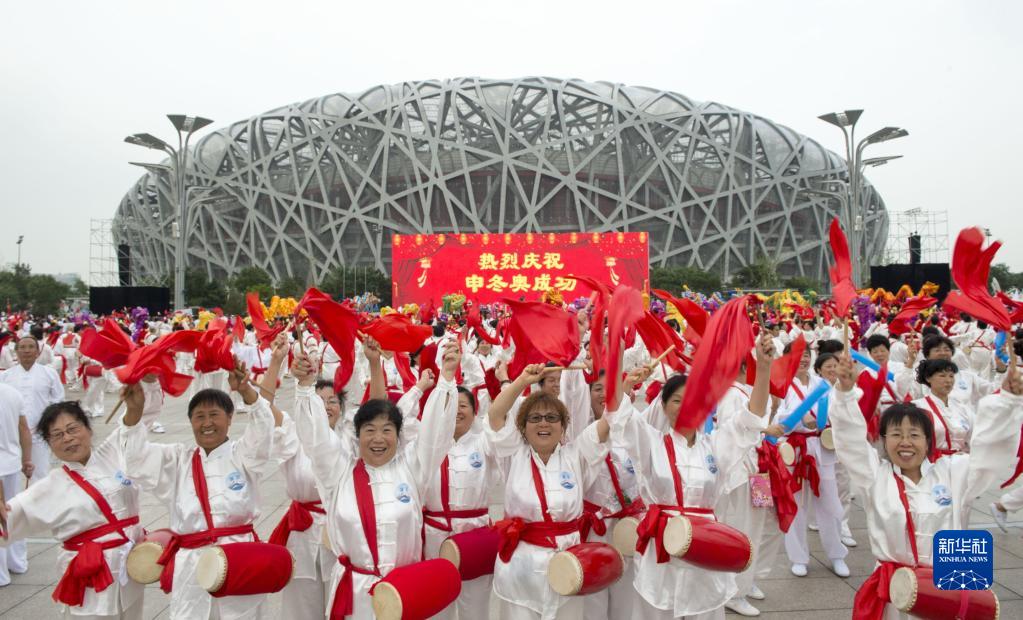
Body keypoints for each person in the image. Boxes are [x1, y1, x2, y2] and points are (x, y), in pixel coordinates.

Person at [829, 352, 1023, 618]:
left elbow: (989, 453)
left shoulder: (954, 471)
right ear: (884, 441)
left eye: (914, 435)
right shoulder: (875, 475)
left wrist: (1009, 402)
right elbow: (849, 439)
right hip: (895, 589)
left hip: (948, 583)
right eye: (896, 434)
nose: (905, 442)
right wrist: (844, 393)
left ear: (929, 441)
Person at [609, 332, 780, 620]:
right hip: (661, 549)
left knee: (704, 610)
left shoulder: (715, 446)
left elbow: (752, 417)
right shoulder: (651, 442)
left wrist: (763, 369)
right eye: (677, 400)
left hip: (706, 547)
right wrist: (617, 357)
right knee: (657, 610)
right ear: (663, 407)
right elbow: (618, 412)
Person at [288, 342, 458, 619]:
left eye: (387, 430)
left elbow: (435, 434)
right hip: (356, 599)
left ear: (398, 435)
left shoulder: (413, 469)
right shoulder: (338, 472)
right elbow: (316, 439)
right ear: (357, 435)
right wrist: (306, 387)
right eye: (370, 430)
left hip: (405, 593)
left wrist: (447, 380)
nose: (378, 439)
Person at [121, 359, 282, 620]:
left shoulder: (244, 454)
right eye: (199, 417)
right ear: (191, 422)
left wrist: (246, 392)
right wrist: (134, 415)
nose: (207, 423)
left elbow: (263, 427)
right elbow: (135, 460)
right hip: (192, 564)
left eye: (214, 415)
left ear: (230, 419)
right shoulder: (177, 459)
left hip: (239, 557)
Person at [485, 359, 612, 620]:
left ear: (563, 426)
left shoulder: (575, 455)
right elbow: (495, 416)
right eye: (535, 418)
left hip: (568, 568)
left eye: (552, 418)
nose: (544, 423)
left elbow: (609, 420)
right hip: (521, 570)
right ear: (523, 426)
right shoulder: (512, 455)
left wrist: (623, 384)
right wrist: (520, 381)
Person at [0, 400, 144, 618]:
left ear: (88, 429)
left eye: (72, 429)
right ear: (49, 444)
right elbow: (8, 519)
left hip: (131, 572)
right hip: (90, 578)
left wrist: (141, 395)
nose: (67, 438)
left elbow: (131, 423)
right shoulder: (49, 486)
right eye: (56, 435)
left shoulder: (112, 454)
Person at [781, 352, 851, 579]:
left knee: (829, 501)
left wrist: (828, 420)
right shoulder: (781, 384)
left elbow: (838, 410)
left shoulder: (822, 384)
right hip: (795, 448)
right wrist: (799, 419)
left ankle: (837, 554)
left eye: (806, 355)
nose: (802, 359)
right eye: (797, 355)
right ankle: (798, 558)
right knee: (796, 504)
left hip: (821, 446)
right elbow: (775, 418)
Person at [0, 335, 64, 483]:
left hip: (39, 432)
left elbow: (58, 401)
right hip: (10, 434)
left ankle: (37, 505)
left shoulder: (49, 374)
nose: (26, 351)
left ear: (37, 351)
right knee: (8, 475)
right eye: (22, 347)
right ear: (16, 351)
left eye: (31, 347)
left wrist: (48, 424)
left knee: (39, 474)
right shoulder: (6, 376)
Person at [0, 382, 30, 587]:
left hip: (7, 462)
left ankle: (1, 574)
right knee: (11, 513)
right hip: (10, 462)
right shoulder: (12, 391)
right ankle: (17, 562)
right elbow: (24, 429)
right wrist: (26, 460)